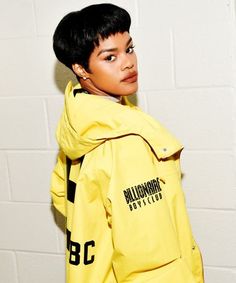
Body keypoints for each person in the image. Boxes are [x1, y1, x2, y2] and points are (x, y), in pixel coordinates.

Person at [51, 3, 204, 283]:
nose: (128, 62)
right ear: (80, 68)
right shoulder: (127, 140)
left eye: (129, 49)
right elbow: (150, 258)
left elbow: (63, 198)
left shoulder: (77, 126)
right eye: (110, 57)